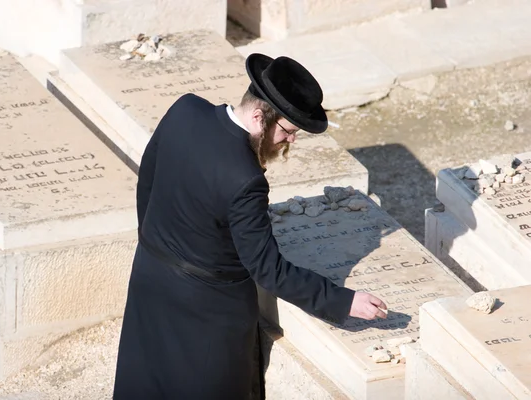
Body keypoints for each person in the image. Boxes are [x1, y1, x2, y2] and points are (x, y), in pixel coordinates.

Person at [113, 53, 387, 400]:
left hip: (150, 277)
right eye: (288, 131)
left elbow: (147, 183)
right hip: (207, 311)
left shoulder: (185, 109)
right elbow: (268, 269)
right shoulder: (246, 179)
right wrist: (342, 300)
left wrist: (157, 243)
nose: (290, 141)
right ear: (259, 117)